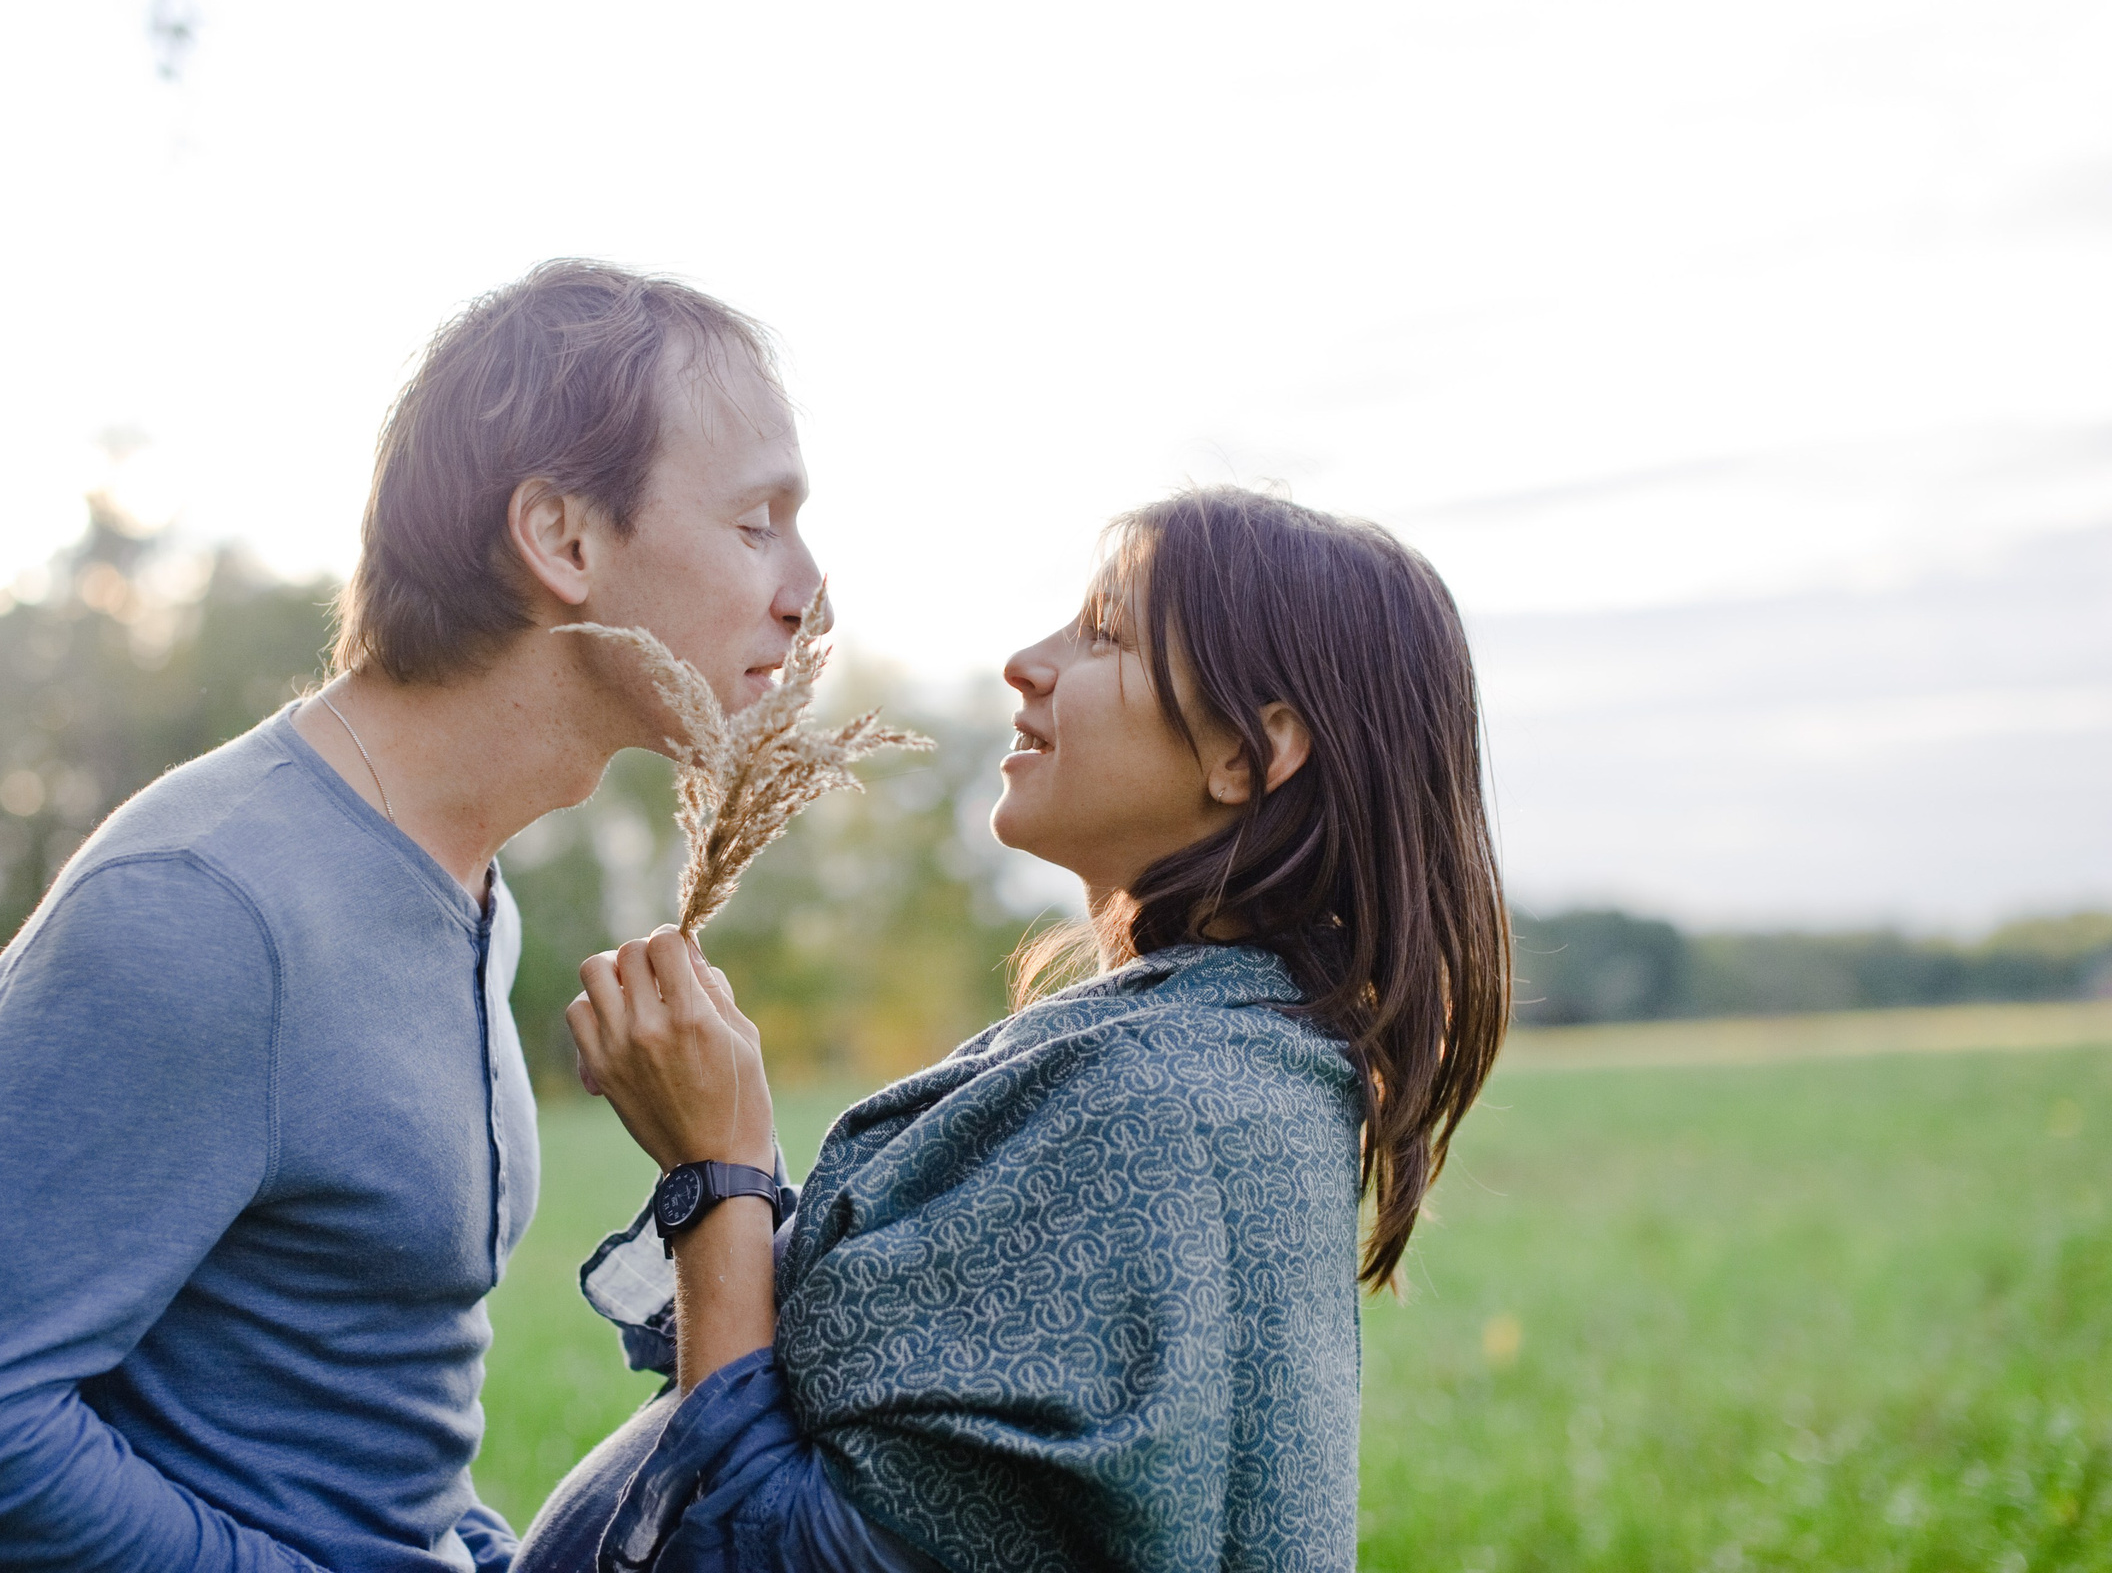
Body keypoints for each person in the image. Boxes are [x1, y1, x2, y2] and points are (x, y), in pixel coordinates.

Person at [0, 260, 827, 1573]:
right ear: (563, 540)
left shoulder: (463, 882)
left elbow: (366, 1436)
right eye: (760, 521)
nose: (806, 589)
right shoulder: (207, 907)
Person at [520, 486, 1512, 1573]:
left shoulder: (1148, 1107)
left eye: (1105, 634)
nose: (1023, 663)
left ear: (1247, 753)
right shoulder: (1215, 1061)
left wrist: (714, 1180)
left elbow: (770, 1553)